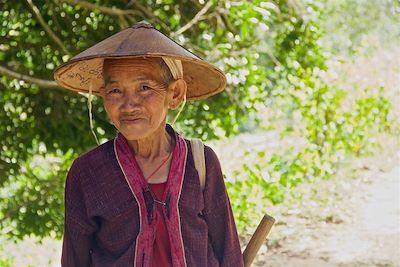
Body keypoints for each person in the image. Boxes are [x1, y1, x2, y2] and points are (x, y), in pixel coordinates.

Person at [54, 22, 244, 267]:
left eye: (144, 88)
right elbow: (74, 260)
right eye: (115, 90)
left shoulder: (201, 163)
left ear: (174, 94)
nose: (129, 104)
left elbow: (229, 253)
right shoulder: (87, 172)